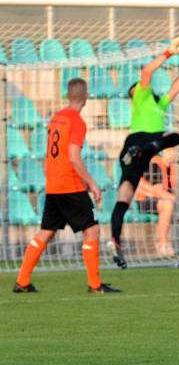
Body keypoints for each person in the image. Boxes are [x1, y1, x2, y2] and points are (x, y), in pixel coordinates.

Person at [13, 78, 121, 294]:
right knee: (92, 230)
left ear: (68, 95)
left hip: (53, 184)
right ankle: (95, 284)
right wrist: (91, 183)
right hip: (69, 185)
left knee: (46, 232)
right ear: (86, 96)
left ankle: (22, 281)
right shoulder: (77, 122)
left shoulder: (56, 118)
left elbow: (56, 153)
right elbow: (73, 157)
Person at [108, 36, 179, 268]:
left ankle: (115, 243)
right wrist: (168, 53)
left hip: (140, 152)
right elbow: (147, 70)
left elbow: (177, 85)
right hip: (140, 142)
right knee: (174, 137)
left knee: (124, 196)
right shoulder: (142, 95)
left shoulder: (160, 105)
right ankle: (147, 149)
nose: (143, 87)